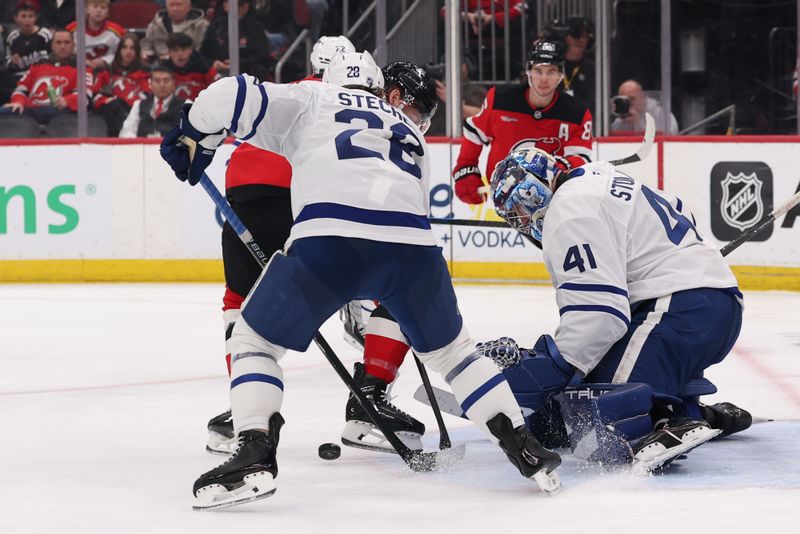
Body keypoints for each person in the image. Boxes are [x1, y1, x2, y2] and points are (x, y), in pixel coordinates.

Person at [160, 55, 562, 509]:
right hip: (414, 248)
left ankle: (254, 451)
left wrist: (195, 135)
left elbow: (227, 95)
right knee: (455, 353)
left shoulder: (313, 96)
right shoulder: (409, 130)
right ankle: (527, 450)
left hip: (331, 239)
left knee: (255, 337)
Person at [483, 147, 751, 470]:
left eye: (519, 212)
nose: (523, 223)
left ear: (533, 191)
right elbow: (682, 211)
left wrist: (546, 365)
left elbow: (601, 316)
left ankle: (659, 425)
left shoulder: (568, 210)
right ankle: (694, 414)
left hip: (679, 309)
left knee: (594, 416)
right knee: (579, 393)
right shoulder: (596, 177)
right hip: (709, 304)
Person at [452, 40, 593, 206]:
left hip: (551, 201)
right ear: (528, 71)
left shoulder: (577, 113)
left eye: (551, 71)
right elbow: (474, 132)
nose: (544, 79)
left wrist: (559, 169)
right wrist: (466, 170)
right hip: (502, 198)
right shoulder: (499, 100)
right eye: (538, 71)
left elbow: (581, 157)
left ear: (561, 74)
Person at [1, 28, 93, 125]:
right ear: (52, 46)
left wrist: (67, 101)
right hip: (30, 109)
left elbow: (85, 95)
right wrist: (18, 102)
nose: (62, 46)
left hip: (59, 112)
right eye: (58, 42)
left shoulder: (82, 67)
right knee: (4, 112)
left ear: (73, 46)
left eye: (67, 43)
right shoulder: (38, 65)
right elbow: (21, 89)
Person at [91, 32, 149, 136]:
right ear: (119, 50)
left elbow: (148, 95)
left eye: (132, 48)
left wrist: (125, 103)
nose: (128, 51)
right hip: (111, 116)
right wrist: (108, 101)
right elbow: (95, 95)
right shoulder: (107, 71)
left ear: (137, 51)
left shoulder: (145, 72)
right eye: (124, 47)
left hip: (135, 115)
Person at [199, 0, 271, 81]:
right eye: (233, 4)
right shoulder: (215, 27)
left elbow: (263, 56)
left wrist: (240, 63)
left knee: (258, 70)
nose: (237, 8)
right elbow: (203, 54)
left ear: (246, 7)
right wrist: (213, 63)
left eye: (240, 4)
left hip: (246, 73)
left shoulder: (255, 28)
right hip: (217, 73)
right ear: (225, 5)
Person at [540, 16, 595, 116]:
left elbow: (593, 103)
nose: (579, 39)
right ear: (564, 36)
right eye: (575, 35)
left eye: (584, 36)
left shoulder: (592, 69)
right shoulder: (550, 64)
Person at [119, 63, 185, 137]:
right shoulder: (138, 105)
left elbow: (192, 134)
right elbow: (126, 132)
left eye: (166, 80)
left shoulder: (186, 105)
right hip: (142, 147)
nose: (162, 85)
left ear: (173, 84)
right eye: (157, 81)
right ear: (150, 84)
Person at [141, 0, 208, 63]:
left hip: (190, 65)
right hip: (160, 64)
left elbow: (201, 51)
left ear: (188, 7)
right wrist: (148, 55)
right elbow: (146, 46)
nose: (175, 9)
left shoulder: (201, 26)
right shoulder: (155, 25)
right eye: (171, 5)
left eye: (178, 5)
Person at [66, 0, 124, 70]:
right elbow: (63, 52)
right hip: (76, 70)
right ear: (87, 9)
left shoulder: (117, 31)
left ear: (108, 12)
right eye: (95, 7)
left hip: (108, 71)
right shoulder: (71, 29)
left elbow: (124, 54)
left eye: (103, 8)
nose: (99, 10)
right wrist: (80, 61)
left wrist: (106, 60)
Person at [5, 1, 52, 82]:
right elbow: (8, 60)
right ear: (15, 18)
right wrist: (13, 63)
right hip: (18, 76)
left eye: (30, 16)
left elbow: (51, 58)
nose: (27, 20)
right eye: (23, 16)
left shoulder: (45, 35)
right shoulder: (12, 37)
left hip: (40, 75)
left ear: (36, 18)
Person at [610, 79, 679, 135]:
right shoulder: (619, 122)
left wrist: (637, 123)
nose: (628, 104)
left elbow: (669, 141)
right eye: (623, 101)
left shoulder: (663, 117)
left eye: (632, 99)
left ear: (643, 98)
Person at [164, 32, 218, 100]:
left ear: (190, 50)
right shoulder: (163, 70)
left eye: (184, 49)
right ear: (169, 52)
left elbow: (218, 90)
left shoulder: (205, 68)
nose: (180, 54)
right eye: (175, 50)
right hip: (172, 109)